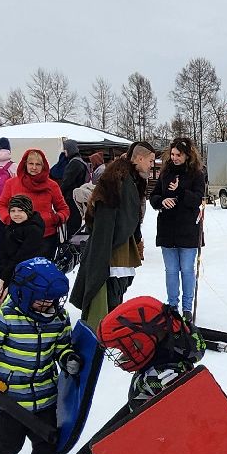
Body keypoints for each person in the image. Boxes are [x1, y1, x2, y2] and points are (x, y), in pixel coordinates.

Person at [105, 299, 210, 454]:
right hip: (177, 449)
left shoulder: (160, 375)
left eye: (128, 347)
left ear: (148, 340)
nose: (123, 355)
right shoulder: (172, 358)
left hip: (153, 446)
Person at [0, 257, 75, 454]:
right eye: (42, 300)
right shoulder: (5, 317)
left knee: (46, 443)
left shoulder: (58, 318)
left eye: (53, 300)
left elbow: (62, 345)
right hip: (13, 399)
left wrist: (68, 358)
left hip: (46, 394)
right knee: (7, 444)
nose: (49, 305)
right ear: (23, 294)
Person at [71, 141, 151, 330]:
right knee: (111, 285)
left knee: (118, 284)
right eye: (149, 160)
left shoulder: (130, 178)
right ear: (139, 158)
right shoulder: (117, 180)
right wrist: (112, 241)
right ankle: (106, 325)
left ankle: (111, 324)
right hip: (112, 245)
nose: (150, 165)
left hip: (120, 242)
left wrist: (135, 236)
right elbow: (106, 215)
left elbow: (130, 216)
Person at [150, 137, 207, 318]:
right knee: (171, 271)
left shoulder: (197, 174)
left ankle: (187, 308)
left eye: (178, 155)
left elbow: (198, 199)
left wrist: (180, 191)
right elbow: (153, 196)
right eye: (172, 154)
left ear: (187, 155)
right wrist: (161, 200)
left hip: (188, 230)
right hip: (167, 229)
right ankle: (172, 305)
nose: (174, 158)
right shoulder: (166, 172)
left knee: (187, 270)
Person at [0, 147, 70, 258]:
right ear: (25, 164)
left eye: (38, 164)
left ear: (43, 166)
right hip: (18, 237)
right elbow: (1, 205)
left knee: (42, 273)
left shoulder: (52, 185)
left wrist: (56, 218)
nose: (34, 167)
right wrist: (8, 219)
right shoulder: (11, 183)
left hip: (46, 238)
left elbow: (64, 209)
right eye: (31, 163)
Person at [0, 195, 48, 302]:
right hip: (10, 275)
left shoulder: (34, 230)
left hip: (28, 277)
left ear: (28, 211)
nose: (16, 214)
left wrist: (5, 278)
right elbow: (2, 253)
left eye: (20, 210)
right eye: (13, 210)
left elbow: (22, 257)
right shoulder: (11, 227)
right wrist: (2, 277)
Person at [51, 138, 90, 242]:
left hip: (71, 199)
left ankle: (70, 248)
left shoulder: (74, 163)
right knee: (74, 226)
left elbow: (66, 182)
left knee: (71, 228)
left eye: (65, 150)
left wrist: (57, 195)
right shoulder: (81, 162)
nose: (64, 152)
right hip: (75, 199)